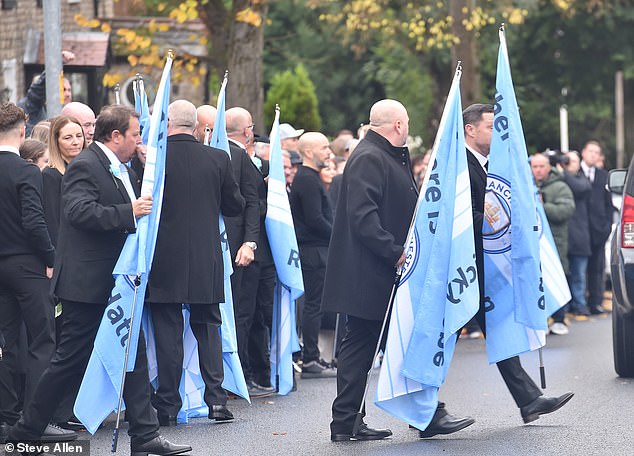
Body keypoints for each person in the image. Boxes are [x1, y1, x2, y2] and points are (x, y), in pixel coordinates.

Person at [8, 105, 192, 456]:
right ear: (116, 136)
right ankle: (26, 430)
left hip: (114, 283)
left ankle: (145, 436)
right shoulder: (86, 165)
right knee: (69, 359)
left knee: (131, 352)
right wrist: (129, 212)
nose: (139, 139)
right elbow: (77, 212)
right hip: (87, 284)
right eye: (135, 133)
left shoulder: (115, 166)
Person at [463, 103, 573, 425]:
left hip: (483, 267)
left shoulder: (486, 165)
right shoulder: (461, 165)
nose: (496, 133)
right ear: (470, 130)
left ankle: (529, 400)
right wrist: (502, 223)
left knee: (496, 327)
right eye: (489, 127)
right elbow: (461, 219)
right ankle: (421, 409)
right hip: (461, 270)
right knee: (439, 336)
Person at [323, 100, 419, 441]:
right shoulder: (370, 157)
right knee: (363, 345)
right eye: (406, 122)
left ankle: (350, 420)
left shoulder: (381, 155)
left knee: (369, 345)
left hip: (374, 271)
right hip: (370, 272)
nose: (408, 128)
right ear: (397, 125)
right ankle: (349, 420)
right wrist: (395, 253)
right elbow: (363, 217)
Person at [146, 100, 245, 426]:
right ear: (199, 128)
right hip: (205, 256)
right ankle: (216, 401)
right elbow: (234, 206)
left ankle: (168, 405)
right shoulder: (217, 158)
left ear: (168, 122)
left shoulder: (156, 159)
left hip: (164, 257)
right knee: (209, 328)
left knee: (168, 333)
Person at [0, 102, 59, 443]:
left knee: (6, 342)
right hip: (27, 264)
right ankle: (35, 420)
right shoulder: (27, 172)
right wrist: (50, 256)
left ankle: (6, 416)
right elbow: (34, 222)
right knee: (41, 341)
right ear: (23, 132)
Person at [290, 132, 336, 379]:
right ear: (308, 152)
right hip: (313, 250)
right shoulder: (306, 180)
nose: (328, 152)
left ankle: (313, 355)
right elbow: (315, 219)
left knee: (315, 304)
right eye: (324, 147)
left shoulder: (310, 178)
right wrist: (338, 236)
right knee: (313, 306)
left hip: (317, 248)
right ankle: (310, 357)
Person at [530, 153, 575, 335]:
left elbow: (567, 210)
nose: (538, 170)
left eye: (542, 166)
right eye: (535, 166)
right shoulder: (525, 185)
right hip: (533, 242)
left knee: (555, 276)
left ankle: (559, 318)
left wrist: (542, 206)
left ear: (549, 168)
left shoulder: (560, 187)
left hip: (555, 241)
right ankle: (539, 320)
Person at [42, 115, 86, 246]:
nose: (76, 142)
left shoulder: (90, 170)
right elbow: (53, 221)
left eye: (79, 136)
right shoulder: (50, 175)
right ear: (56, 141)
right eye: (68, 138)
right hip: (67, 250)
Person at [580, 140, 613, 315]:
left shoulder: (603, 175)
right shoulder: (575, 173)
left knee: (597, 269)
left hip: (599, 230)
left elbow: (608, 205)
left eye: (597, 152)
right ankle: (580, 303)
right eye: (591, 151)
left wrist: (606, 227)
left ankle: (595, 302)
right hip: (581, 230)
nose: (593, 155)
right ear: (583, 152)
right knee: (579, 269)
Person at [563, 151, 593, 316]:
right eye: (566, 161)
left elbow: (579, 187)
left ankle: (580, 304)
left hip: (579, 236)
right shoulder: (558, 178)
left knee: (579, 275)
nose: (568, 164)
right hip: (564, 236)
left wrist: (563, 171)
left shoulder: (582, 180)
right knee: (564, 274)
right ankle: (565, 306)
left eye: (572, 161)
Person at [18, 51, 75, 135]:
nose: (67, 94)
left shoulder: (69, 113)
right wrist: (58, 63)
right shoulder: (34, 107)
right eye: (63, 90)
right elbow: (37, 90)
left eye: (69, 90)